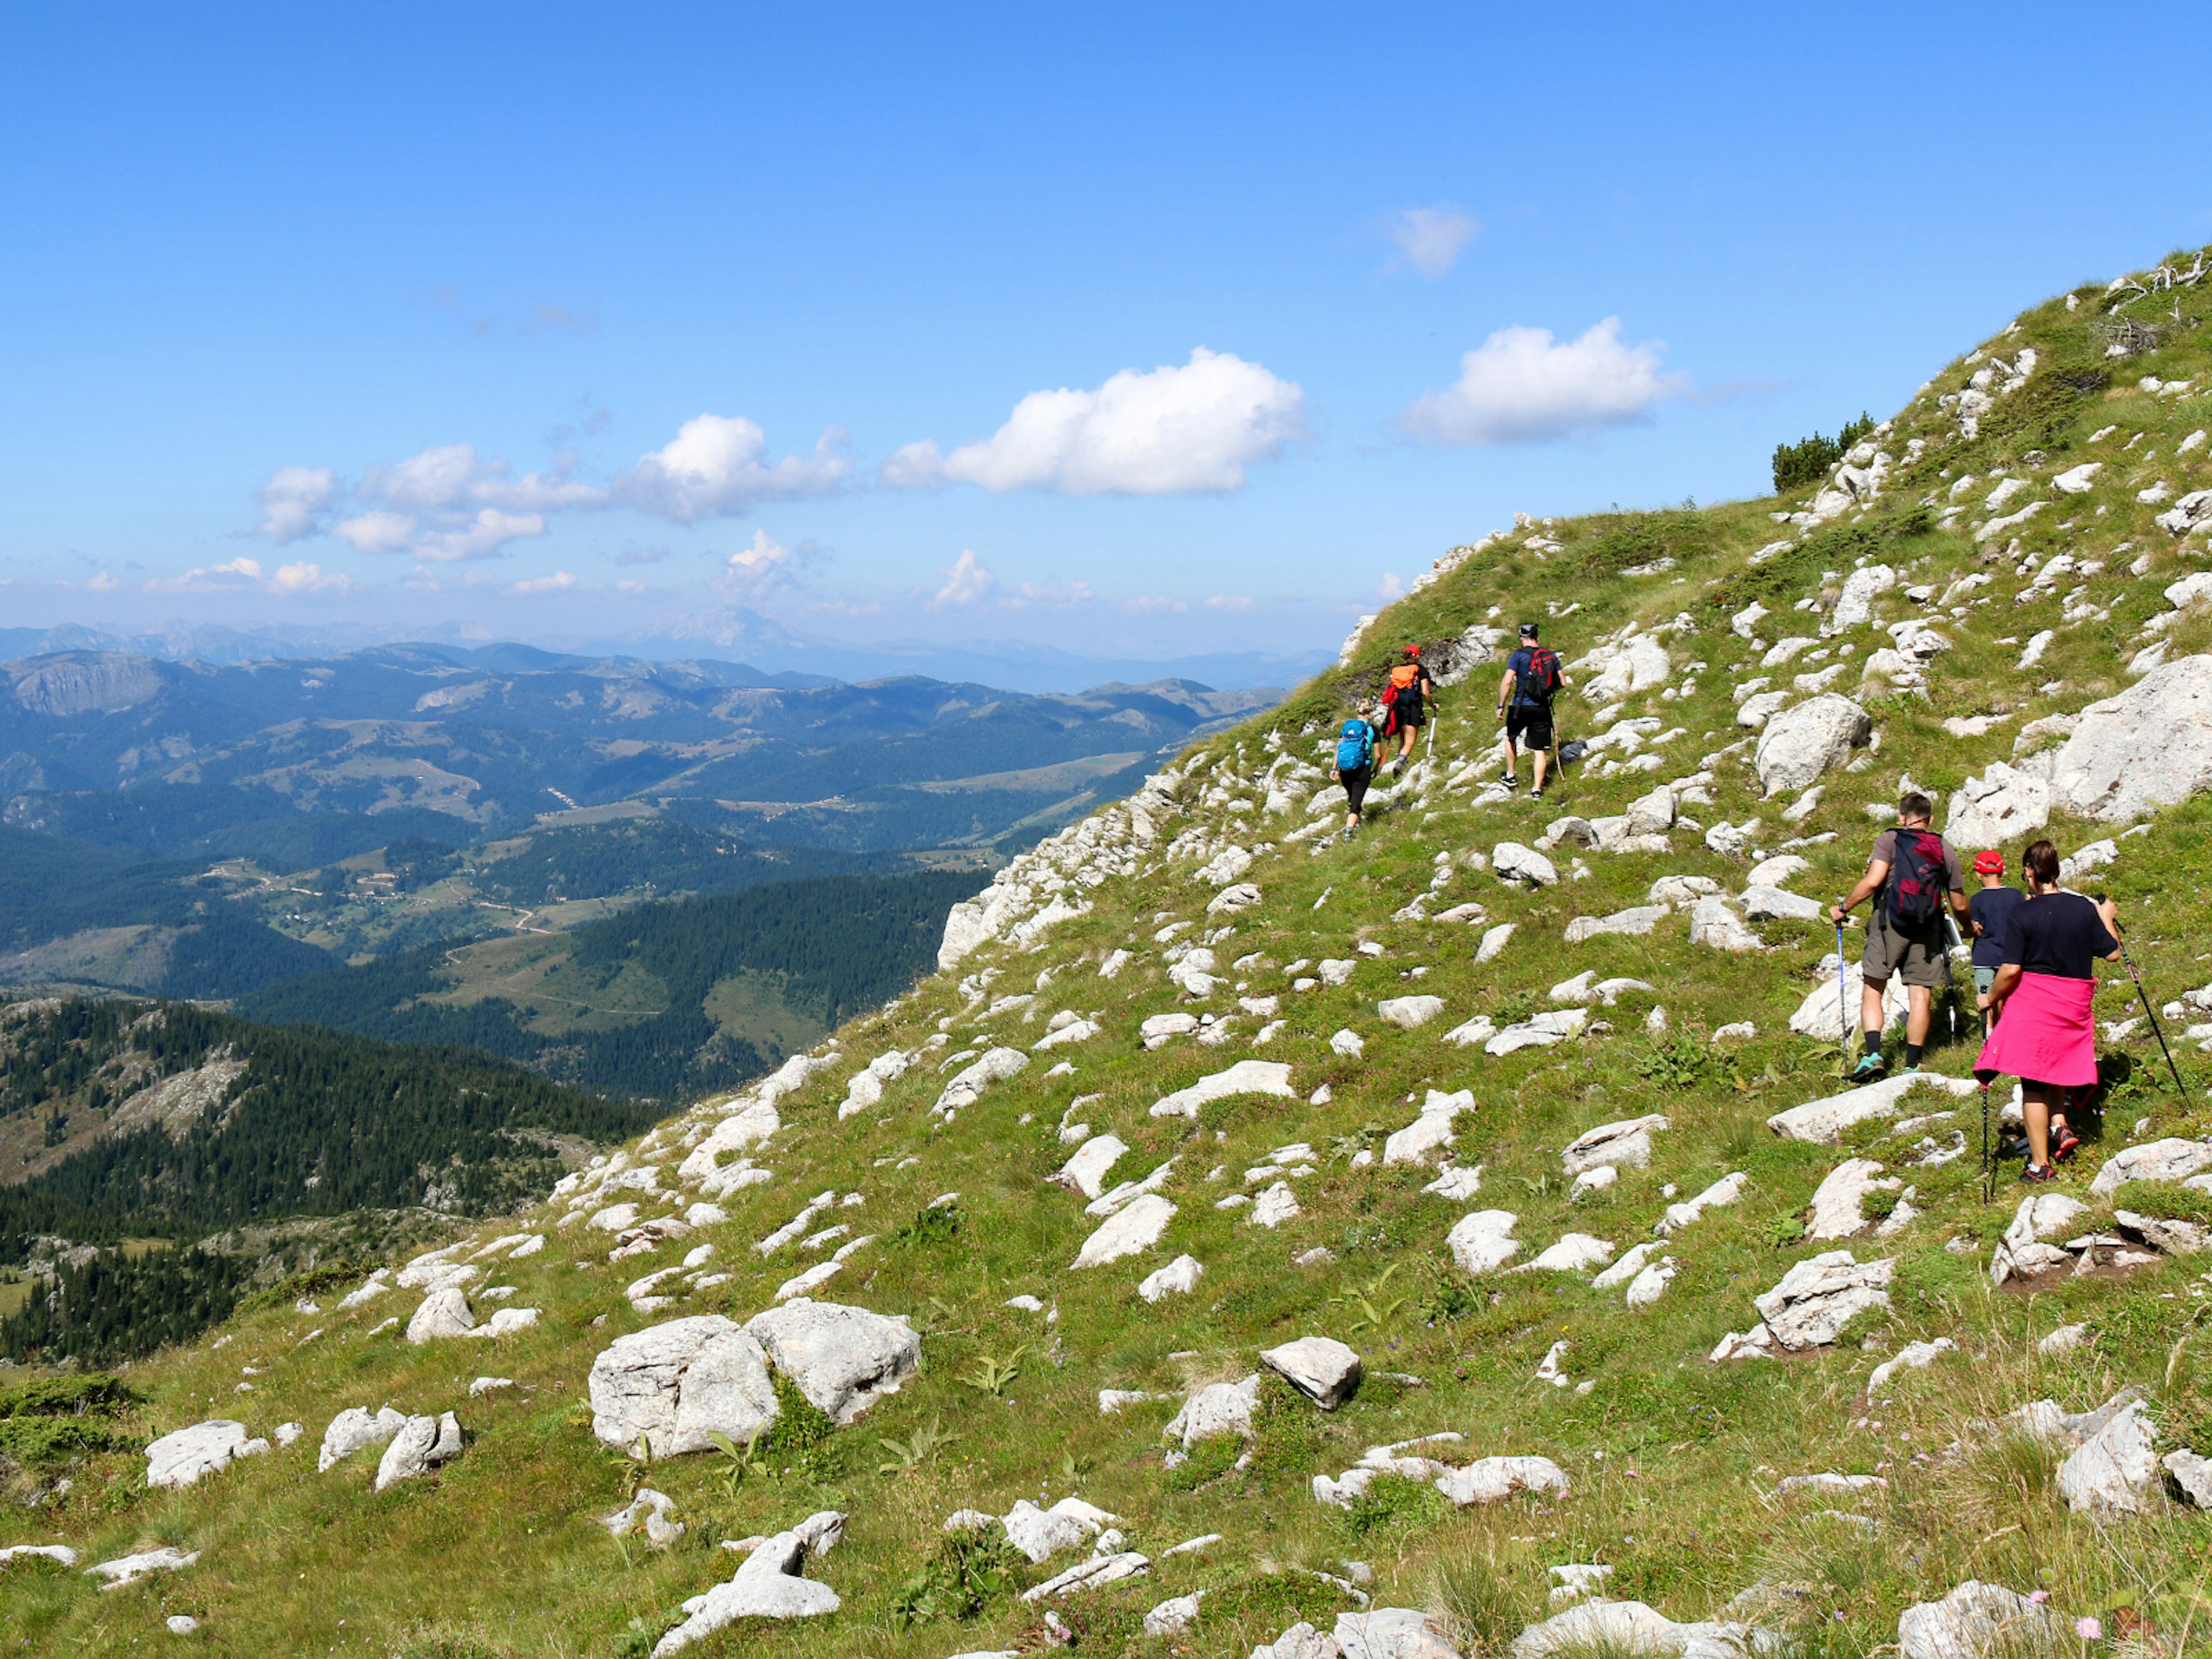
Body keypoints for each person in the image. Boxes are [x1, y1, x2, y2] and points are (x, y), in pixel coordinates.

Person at [1974, 839, 2120, 1183]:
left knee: (2034, 1082)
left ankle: (2040, 1167)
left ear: (2029, 871)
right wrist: (2106, 917)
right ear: (2056, 870)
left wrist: (1989, 998)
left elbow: (2010, 969)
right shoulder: (2083, 908)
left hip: (2035, 1002)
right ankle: (2060, 1127)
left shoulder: (2022, 913)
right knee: (2059, 1065)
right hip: (2073, 1004)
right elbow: (2112, 953)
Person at [1829, 793, 1972, 1080]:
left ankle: (1873, 1055)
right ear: (1930, 820)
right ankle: (1913, 1065)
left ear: (1902, 818)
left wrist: (1844, 907)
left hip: (1889, 923)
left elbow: (1873, 881)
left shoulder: (1890, 840)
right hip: (1927, 927)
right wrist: (1967, 928)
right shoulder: (1943, 847)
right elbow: (1958, 902)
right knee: (1920, 994)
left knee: (1874, 987)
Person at [1495, 623, 1566, 797]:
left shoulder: (1518, 656)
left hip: (1521, 706)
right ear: (1537, 637)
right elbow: (1563, 683)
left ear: (1522, 639)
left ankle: (1511, 774)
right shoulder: (1550, 656)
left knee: (1511, 738)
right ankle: (1537, 789)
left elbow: (1507, 682)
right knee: (1539, 750)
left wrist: (1501, 705)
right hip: (1542, 708)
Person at [1967, 850, 2025, 1026]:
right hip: (2011, 957)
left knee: (1987, 999)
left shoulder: (1976, 900)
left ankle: (1989, 1036)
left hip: (1985, 957)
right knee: (2009, 998)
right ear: (2002, 872)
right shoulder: (2015, 896)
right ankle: (2008, 1033)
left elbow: (1976, 930)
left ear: (1978, 874)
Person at [1382, 646, 1435, 780]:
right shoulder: (1420, 670)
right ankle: (1401, 762)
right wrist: (1433, 705)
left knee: (1402, 738)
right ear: (1416, 656)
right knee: (1410, 740)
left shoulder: (1397, 670)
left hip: (1398, 707)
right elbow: (1425, 692)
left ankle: (1399, 768)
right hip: (1413, 706)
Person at [1330, 709, 1379, 842]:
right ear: (1371, 712)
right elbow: (1378, 755)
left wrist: (1334, 768)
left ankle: (1356, 821)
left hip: (1345, 769)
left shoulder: (1348, 727)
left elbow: (1339, 748)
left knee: (1352, 797)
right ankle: (1348, 833)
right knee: (1356, 802)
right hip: (1363, 768)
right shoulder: (1373, 729)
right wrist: (1376, 768)